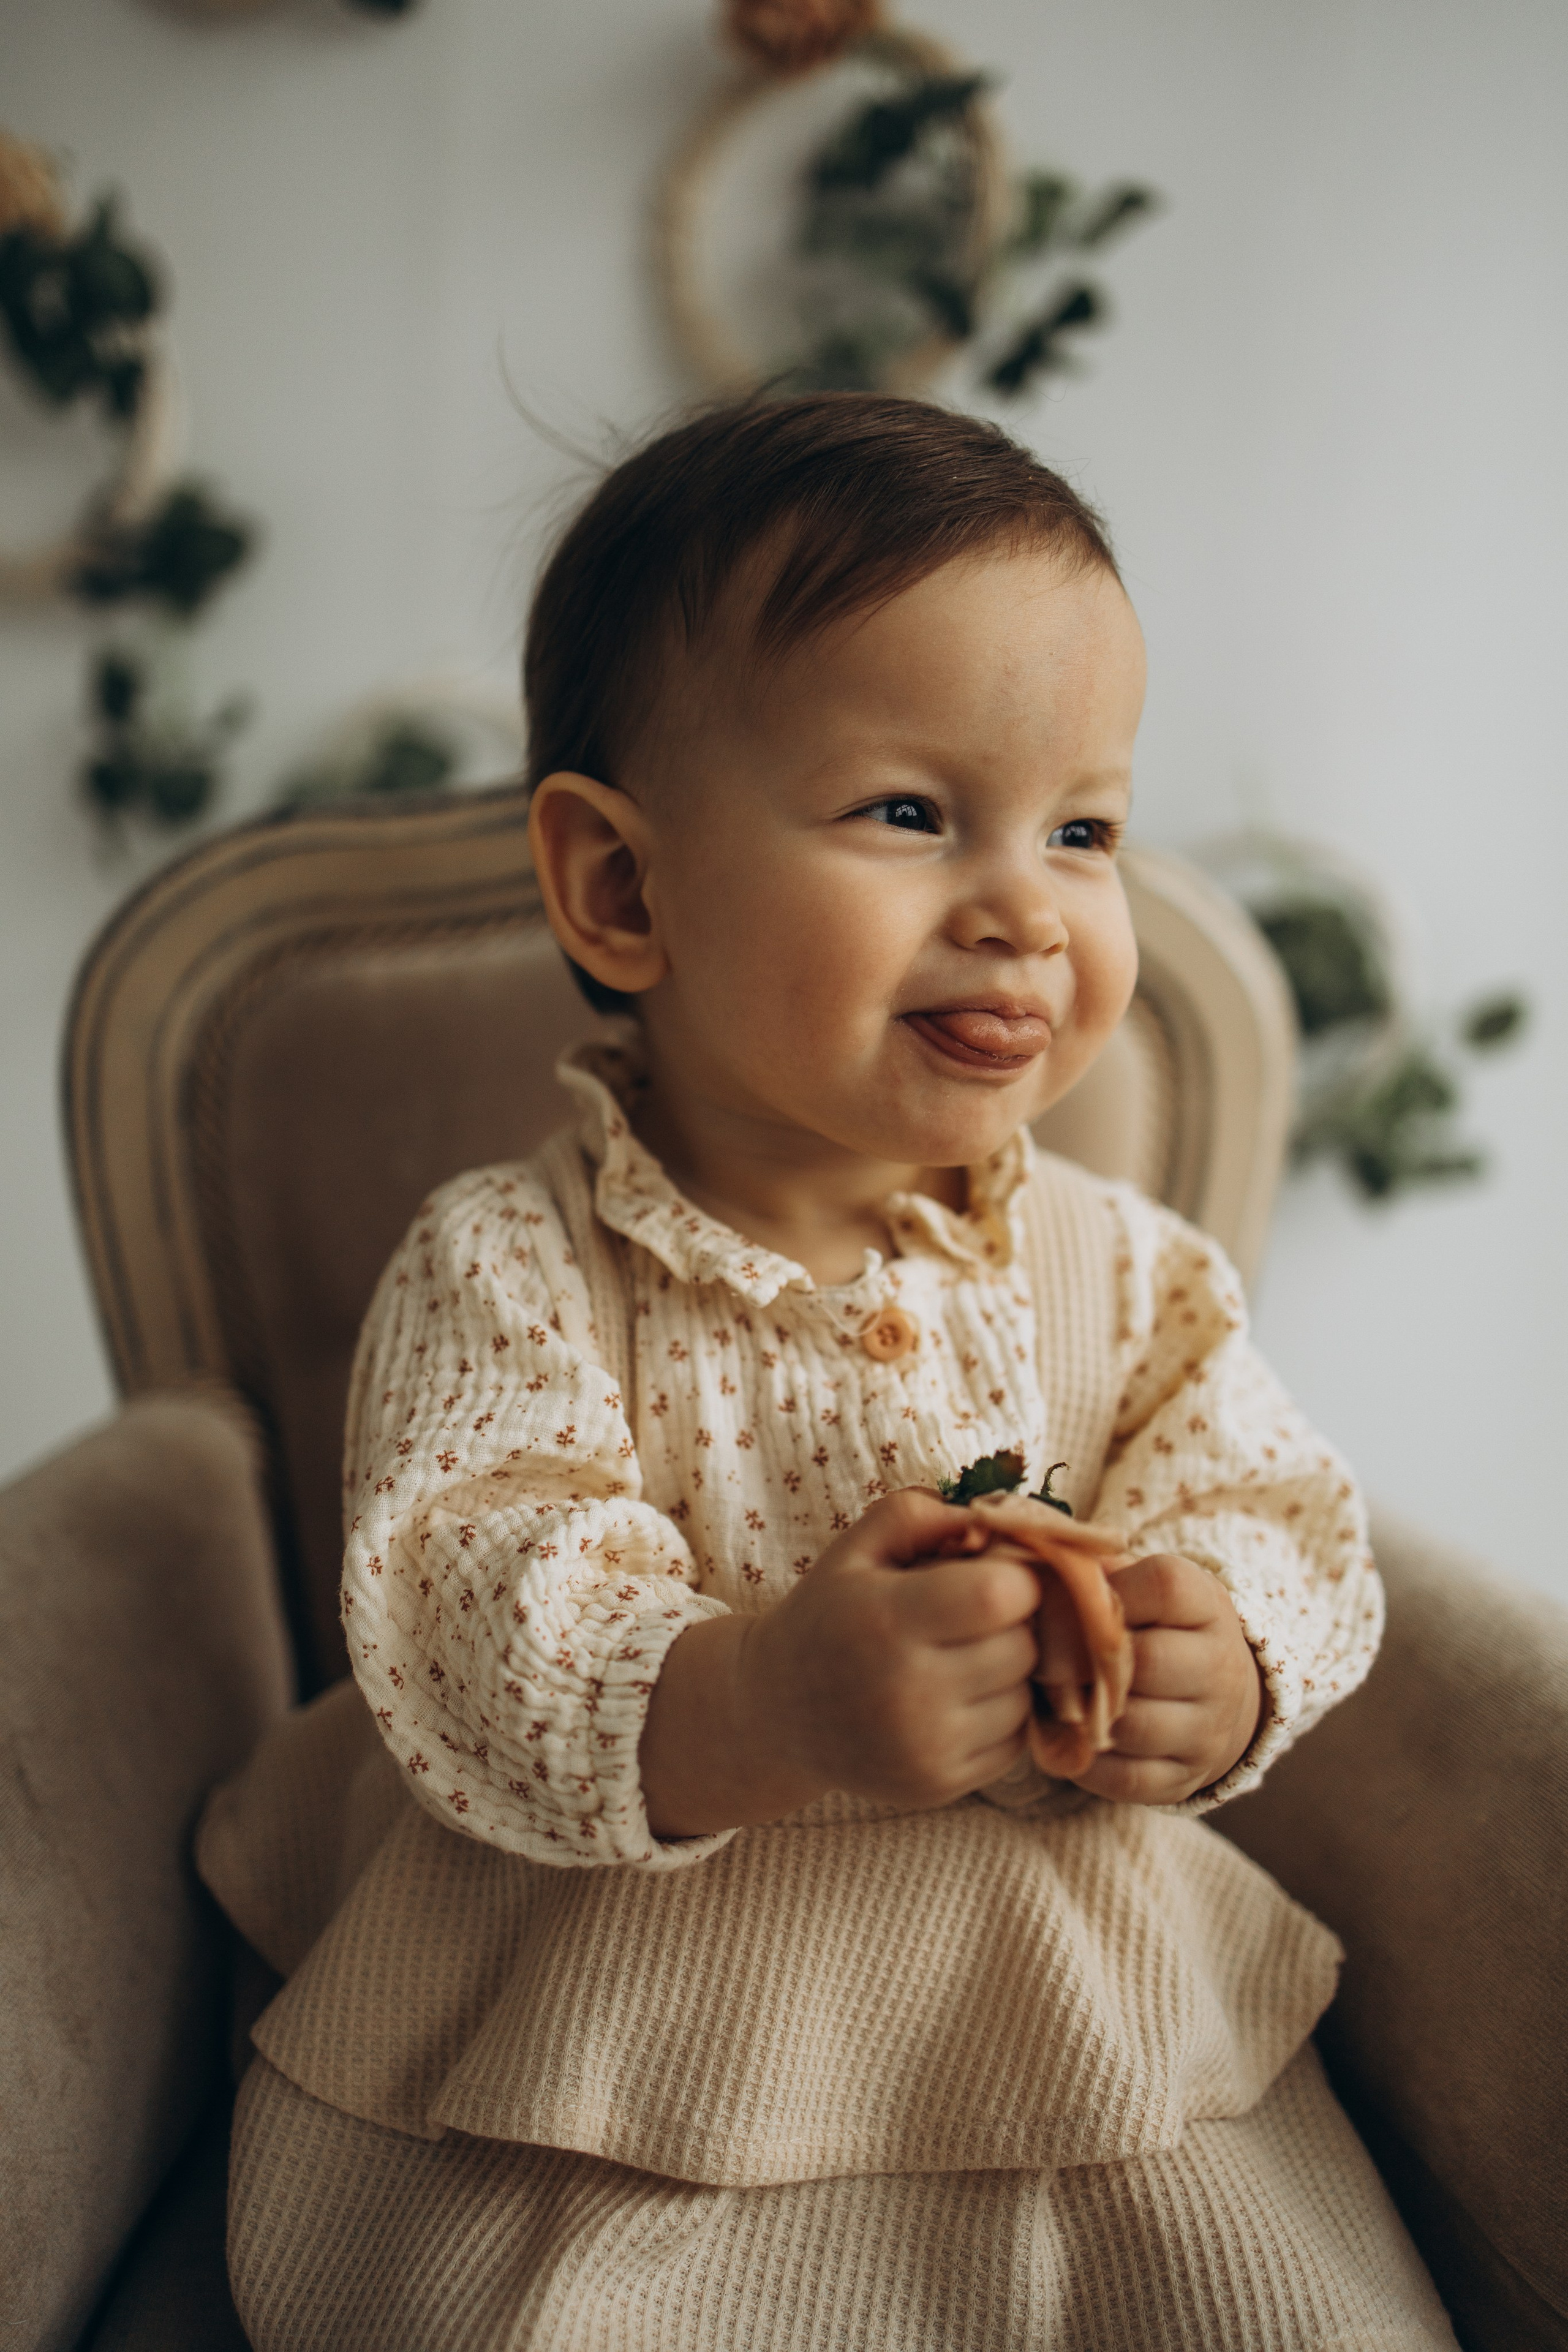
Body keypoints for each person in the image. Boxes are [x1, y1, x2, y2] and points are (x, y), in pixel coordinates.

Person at [204, 394, 1457, 2350]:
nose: (1026, 908)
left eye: (1086, 829)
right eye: (909, 812)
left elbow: (1272, 1503)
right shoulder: (515, 1261)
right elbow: (463, 1590)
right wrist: (750, 1697)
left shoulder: (1123, 1269)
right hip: (619, 2027)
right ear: (622, 892)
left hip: (1062, 2016)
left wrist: (1226, 1654)